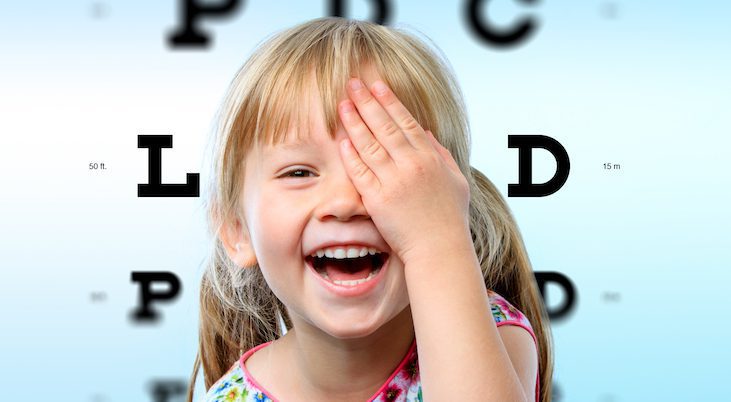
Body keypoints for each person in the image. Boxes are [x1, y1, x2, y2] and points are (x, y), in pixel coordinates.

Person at [188, 17, 554, 402]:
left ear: (446, 204)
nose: (345, 202)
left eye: (382, 166)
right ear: (236, 229)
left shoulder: (490, 338)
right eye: (298, 172)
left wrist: (438, 241)